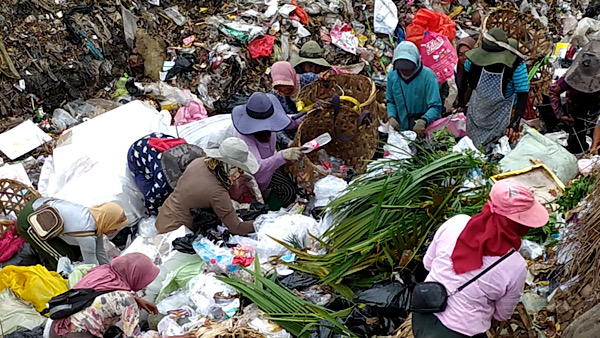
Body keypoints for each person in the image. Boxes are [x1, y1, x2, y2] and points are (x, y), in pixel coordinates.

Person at [412, 180, 549, 338]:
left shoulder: (455, 223)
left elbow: (428, 264)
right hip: (461, 333)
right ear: (519, 226)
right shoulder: (515, 266)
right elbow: (502, 314)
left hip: (423, 313)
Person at [46, 253, 193, 338]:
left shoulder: (103, 272)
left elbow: (99, 295)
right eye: (144, 280)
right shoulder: (126, 301)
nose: (145, 286)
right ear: (135, 277)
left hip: (56, 327)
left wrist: (136, 299)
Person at [155, 137, 259, 235]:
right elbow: (236, 227)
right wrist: (261, 225)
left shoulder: (199, 162)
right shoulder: (216, 192)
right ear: (228, 166)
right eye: (239, 169)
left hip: (164, 215)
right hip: (175, 231)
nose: (240, 173)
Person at [232, 92, 304, 210]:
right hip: (252, 176)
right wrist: (282, 156)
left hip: (269, 165)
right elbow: (257, 168)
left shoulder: (271, 123)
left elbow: (290, 121)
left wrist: (310, 112)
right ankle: (263, 210)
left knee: (292, 186)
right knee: (287, 192)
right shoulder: (244, 136)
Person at [462, 28, 529, 151]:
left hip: (500, 116)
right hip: (476, 112)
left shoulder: (516, 66)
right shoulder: (473, 61)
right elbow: (464, 83)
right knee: (471, 150)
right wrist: (460, 103)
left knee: (494, 151)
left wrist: (514, 124)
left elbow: (523, 95)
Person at [16, 199, 128, 270]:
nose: (115, 230)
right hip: (30, 220)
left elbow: (100, 251)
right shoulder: (87, 234)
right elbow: (91, 265)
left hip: (39, 204)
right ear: (108, 222)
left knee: (70, 254)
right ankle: (60, 282)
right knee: (60, 258)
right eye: (115, 226)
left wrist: (109, 269)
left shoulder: (96, 219)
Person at [127, 133, 204, 215]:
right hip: (137, 153)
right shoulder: (162, 178)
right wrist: (152, 210)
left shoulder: (191, 155)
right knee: (151, 191)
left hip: (158, 140)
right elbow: (152, 197)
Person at [549, 41, 600, 154]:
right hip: (575, 107)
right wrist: (561, 115)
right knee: (576, 139)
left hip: (596, 108)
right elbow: (553, 91)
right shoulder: (570, 77)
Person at [386, 41, 442, 136]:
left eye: (408, 69)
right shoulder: (393, 75)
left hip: (424, 128)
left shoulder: (428, 76)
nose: (404, 72)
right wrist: (391, 116)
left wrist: (424, 120)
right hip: (402, 127)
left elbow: (435, 106)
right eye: (401, 70)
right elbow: (390, 101)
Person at [455, 36, 477, 110]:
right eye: (460, 55)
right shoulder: (458, 70)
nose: (464, 57)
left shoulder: (479, 70)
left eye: (467, 53)